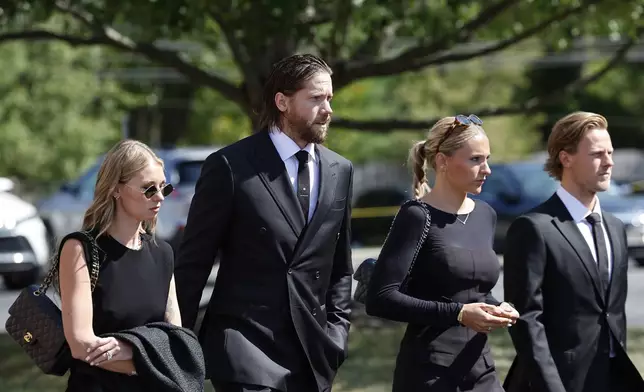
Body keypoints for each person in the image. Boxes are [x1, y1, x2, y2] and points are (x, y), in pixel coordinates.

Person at [174, 53, 354, 392]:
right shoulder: (230, 166)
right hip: (245, 350)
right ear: (282, 102)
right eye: (316, 98)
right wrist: (174, 344)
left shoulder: (340, 170)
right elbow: (193, 264)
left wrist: (337, 331)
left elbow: (340, 267)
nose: (328, 109)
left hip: (312, 353)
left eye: (329, 98)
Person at [365, 115, 519, 392]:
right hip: (430, 372)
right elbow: (381, 299)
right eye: (475, 160)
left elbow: (473, 291)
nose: (487, 169)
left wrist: (496, 308)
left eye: (487, 159)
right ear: (442, 162)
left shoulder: (486, 215)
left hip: (480, 367)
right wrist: (458, 313)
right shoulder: (416, 216)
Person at [503, 111, 644, 392]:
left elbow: (611, 314)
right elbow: (526, 320)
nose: (609, 163)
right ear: (565, 158)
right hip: (559, 383)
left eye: (610, 153)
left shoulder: (615, 227)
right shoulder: (534, 228)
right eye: (596, 154)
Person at [58, 139, 203, 391]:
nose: (159, 197)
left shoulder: (163, 254)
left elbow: (177, 341)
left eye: (164, 188)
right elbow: (81, 345)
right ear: (115, 189)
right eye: (148, 189)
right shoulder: (81, 249)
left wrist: (129, 349)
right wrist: (151, 359)